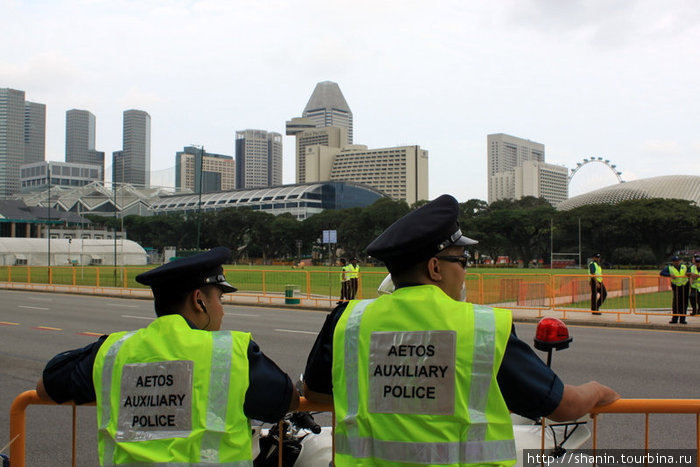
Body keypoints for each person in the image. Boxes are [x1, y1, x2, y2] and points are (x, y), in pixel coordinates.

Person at [303, 194, 619, 466]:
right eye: (462, 259)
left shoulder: (349, 319)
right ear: (435, 268)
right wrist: (597, 390)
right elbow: (563, 407)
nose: (466, 269)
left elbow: (315, 392)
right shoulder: (482, 327)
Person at [36, 247, 299, 465]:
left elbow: (47, 387)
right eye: (220, 299)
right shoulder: (229, 352)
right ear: (199, 300)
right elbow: (286, 401)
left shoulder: (114, 351)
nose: (222, 311)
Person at [660, 255, 689, 324]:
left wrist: (689, 273)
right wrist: (670, 275)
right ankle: (675, 319)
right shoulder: (670, 267)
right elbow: (662, 273)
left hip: (685, 286)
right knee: (676, 303)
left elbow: (690, 271)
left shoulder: (684, 266)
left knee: (684, 303)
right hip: (676, 286)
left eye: (678, 261)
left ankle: (682, 319)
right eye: (675, 261)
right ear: (673, 262)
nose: (677, 262)